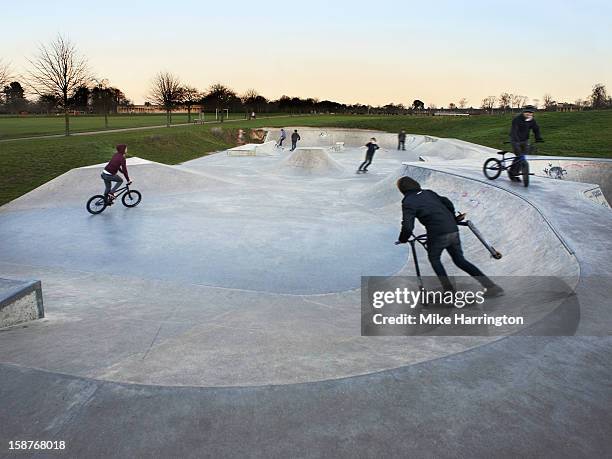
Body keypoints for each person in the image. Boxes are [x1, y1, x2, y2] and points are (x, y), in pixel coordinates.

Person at [394, 176, 503, 296]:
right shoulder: (429, 193)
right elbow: (447, 201)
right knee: (460, 260)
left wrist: (402, 239)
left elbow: (408, 226)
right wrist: (452, 217)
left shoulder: (408, 201)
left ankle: (449, 292)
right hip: (453, 230)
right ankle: (492, 287)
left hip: (437, 234)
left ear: (402, 190)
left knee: (435, 259)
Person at [508, 105, 543, 181]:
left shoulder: (531, 120)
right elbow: (514, 130)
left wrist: (538, 138)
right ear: (523, 112)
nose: (529, 114)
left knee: (522, 158)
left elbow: (536, 129)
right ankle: (512, 174)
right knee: (519, 156)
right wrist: (516, 140)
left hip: (524, 140)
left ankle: (515, 172)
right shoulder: (517, 119)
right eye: (527, 112)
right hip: (515, 140)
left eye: (531, 113)